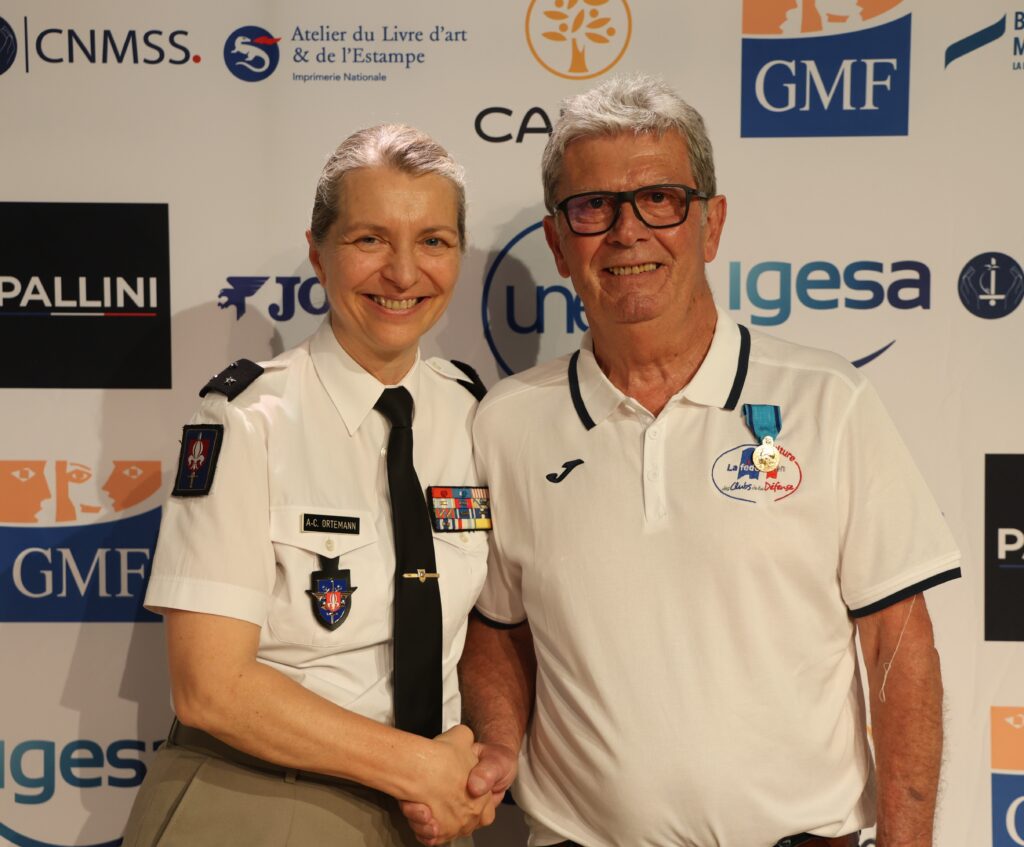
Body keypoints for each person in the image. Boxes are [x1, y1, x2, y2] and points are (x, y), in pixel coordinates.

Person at [403, 75, 960, 847]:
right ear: (559, 243)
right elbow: (498, 629)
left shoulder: (829, 401)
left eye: (660, 198)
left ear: (711, 222)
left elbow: (898, 643)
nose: (627, 231)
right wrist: (498, 740)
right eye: (593, 207)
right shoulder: (505, 423)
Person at [123, 124, 496, 847]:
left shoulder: (476, 413)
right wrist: (418, 767)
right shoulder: (244, 419)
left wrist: (473, 767)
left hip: (431, 813)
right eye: (369, 239)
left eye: (433, 241)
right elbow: (209, 687)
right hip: (260, 802)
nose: (403, 273)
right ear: (318, 253)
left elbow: (487, 627)